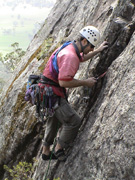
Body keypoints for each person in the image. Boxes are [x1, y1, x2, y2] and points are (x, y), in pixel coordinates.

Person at [41, 26, 108, 161]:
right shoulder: (70, 55)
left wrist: (98, 51)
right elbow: (64, 82)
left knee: (53, 119)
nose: (92, 49)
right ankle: (59, 148)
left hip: (45, 91)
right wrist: (85, 82)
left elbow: (81, 58)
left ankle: (46, 151)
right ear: (84, 41)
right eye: (91, 46)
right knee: (74, 121)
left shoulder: (70, 46)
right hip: (52, 93)